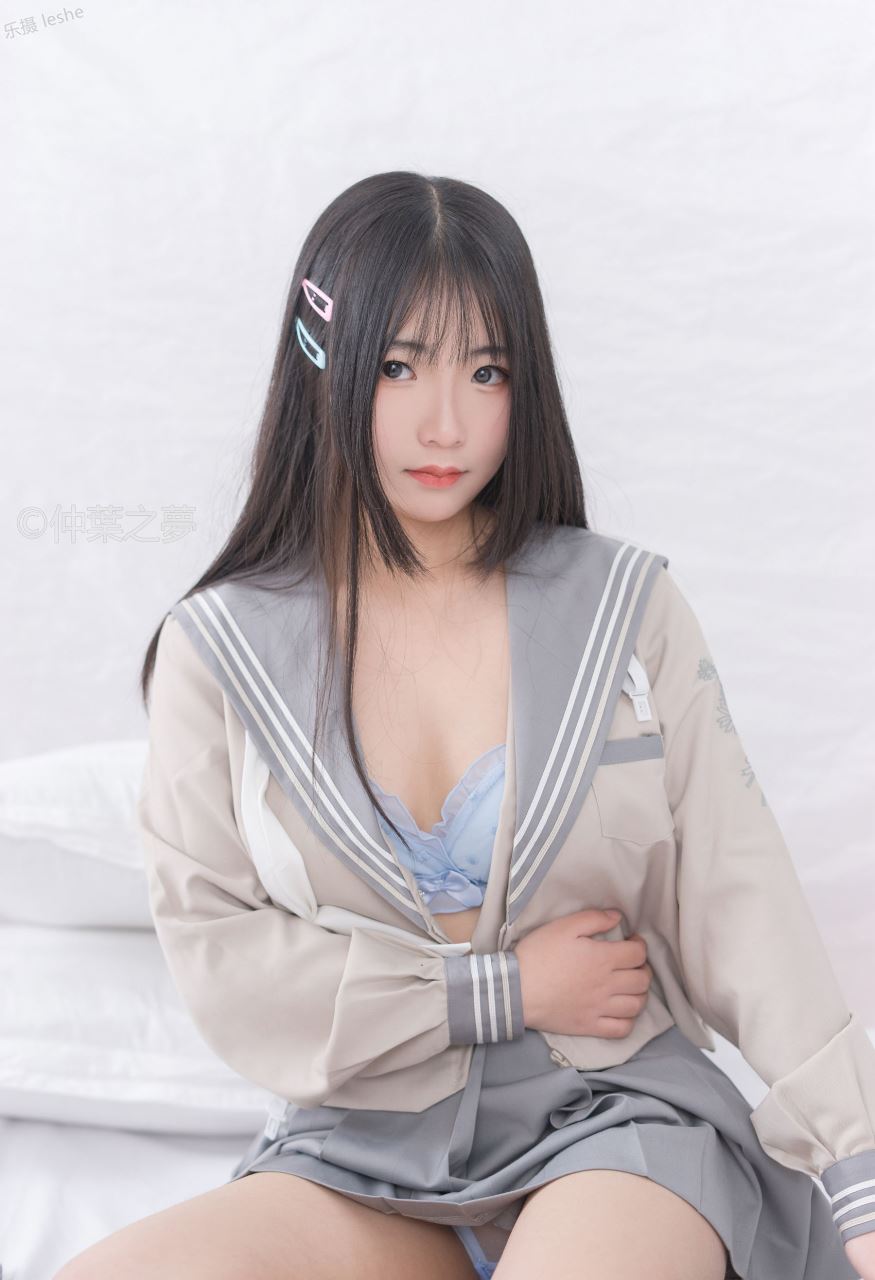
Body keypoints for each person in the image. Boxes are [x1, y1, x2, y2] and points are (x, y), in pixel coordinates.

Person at [55, 172, 875, 1280]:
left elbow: (739, 896)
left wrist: (856, 1161)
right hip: (360, 1145)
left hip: (613, 1116)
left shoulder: (620, 607)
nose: (446, 422)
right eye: (399, 366)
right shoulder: (221, 649)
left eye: (486, 371)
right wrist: (499, 990)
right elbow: (223, 958)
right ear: (323, 359)